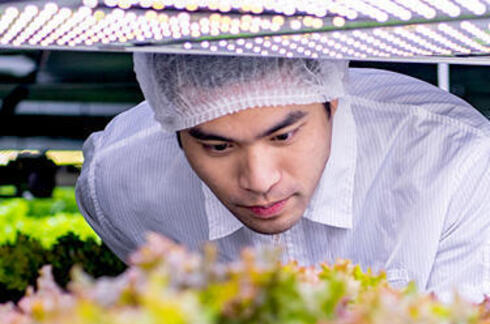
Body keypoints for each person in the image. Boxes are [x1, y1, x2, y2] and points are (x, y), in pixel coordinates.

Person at [76, 53, 490, 302]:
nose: (259, 180)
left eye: (284, 135)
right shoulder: (117, 182)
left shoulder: (455, 159)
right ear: (175, 130)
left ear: (330, 100)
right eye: (218, 147)